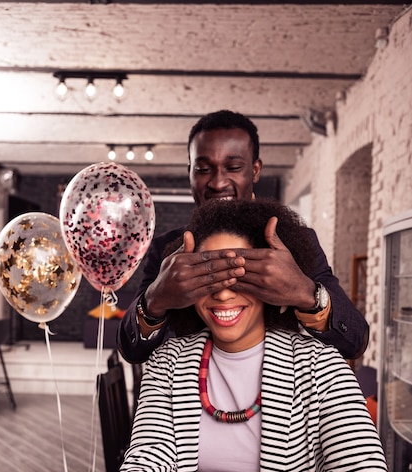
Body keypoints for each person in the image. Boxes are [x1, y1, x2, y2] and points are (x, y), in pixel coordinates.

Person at [79, 199, 390, 472]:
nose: (224, 294)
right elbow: (146, 465)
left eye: (240, 275)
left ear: (271, 280)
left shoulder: (320, 363)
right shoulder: (171, 361)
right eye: (208, 276)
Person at [117, 109, 369, 365]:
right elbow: (130, 350)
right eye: (203, 169)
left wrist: (305, 292)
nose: (217, 182)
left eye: (233, 167)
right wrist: (155, 299)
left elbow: (355, 341)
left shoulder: (295, 240)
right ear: (190, 172)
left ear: (255, 170)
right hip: (187, 396)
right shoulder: (166, 249)